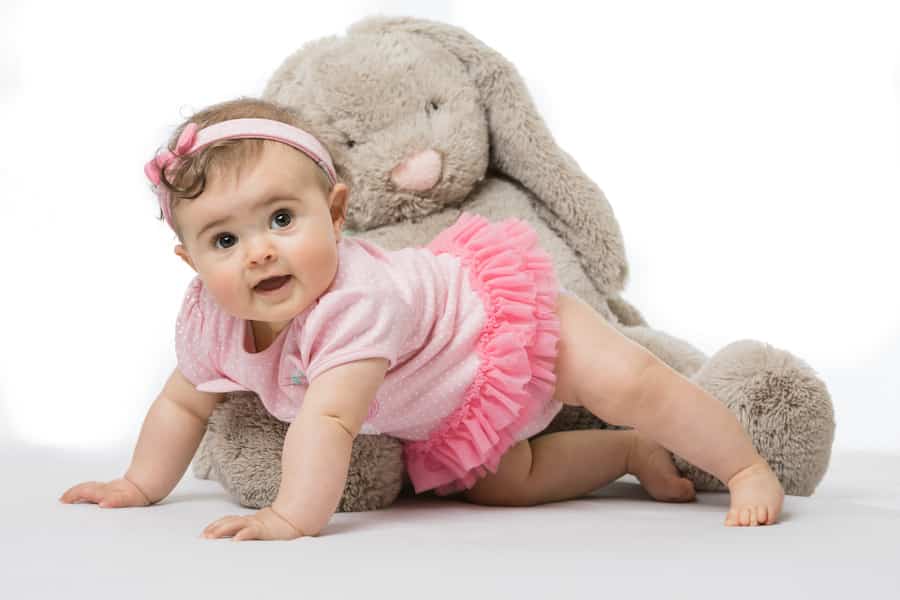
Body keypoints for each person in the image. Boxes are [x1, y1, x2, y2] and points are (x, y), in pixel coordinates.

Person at [60, 98, 784, 541]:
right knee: (507, 484)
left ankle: (746, 466)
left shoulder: (353, 301)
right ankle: (627, 454)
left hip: (498, 325)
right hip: (448, 404)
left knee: (628, 380)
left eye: (282, 219)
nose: (259, 253)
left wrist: (291, 516)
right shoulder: (209, 323)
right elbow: (182, 402)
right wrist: (140, 484)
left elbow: (331, 421)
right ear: (190, 262)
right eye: (225, 240)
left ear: (336, 215)